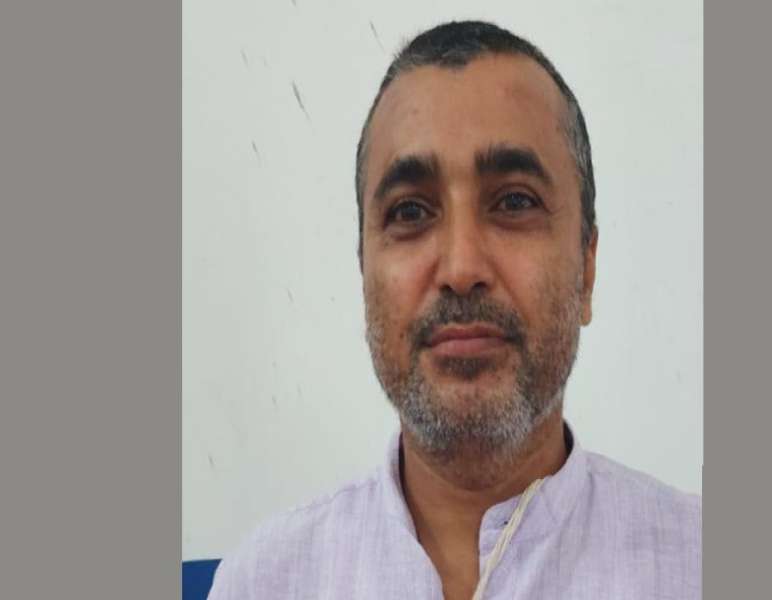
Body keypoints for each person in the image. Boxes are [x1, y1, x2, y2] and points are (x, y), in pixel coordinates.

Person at [208, 20, 700, 600]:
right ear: (364, 272)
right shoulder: (265, 581)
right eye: (410, 212)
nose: (462, 267)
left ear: (586, 268)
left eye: (513, 201)